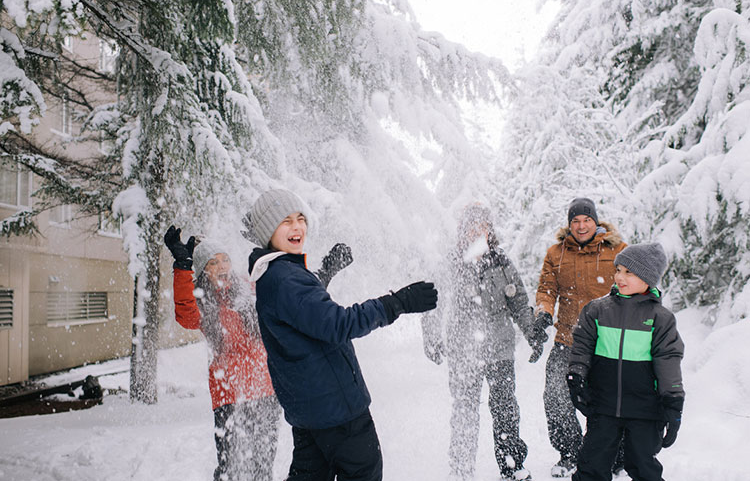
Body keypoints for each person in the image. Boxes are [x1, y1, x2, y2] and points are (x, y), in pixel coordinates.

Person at [244, 188, 439, 481]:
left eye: (300, 218)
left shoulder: (275, 274)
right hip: (337, 410)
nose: (297, 227)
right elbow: (337, 324)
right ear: (268, 230)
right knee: (363, 473)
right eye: (285, 221)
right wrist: (397, 302)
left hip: (311, 410)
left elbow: (307, 314)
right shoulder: (286, 279)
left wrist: (326, 271)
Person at [164, 225, 352, 481]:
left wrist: (328, 268)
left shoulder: (249, 288)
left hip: (266, 391)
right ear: (203, 271)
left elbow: (293, 292)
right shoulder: (204, 304)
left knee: (262, 467)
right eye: (212, 262)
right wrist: (183, 266)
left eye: (225, 259)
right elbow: (185, 315)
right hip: (229, 397)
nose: (222, 266)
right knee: (229, 470)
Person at [421, 204, 536, 481]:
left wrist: (532, 332)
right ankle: (461, 471)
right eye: (470, 226)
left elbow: (519, 302)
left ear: (489, 230)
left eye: (481, 225)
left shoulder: (501, 262)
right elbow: (432, 302)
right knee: (464, 411)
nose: (475, 231)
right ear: (462, 230)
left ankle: (512, 467)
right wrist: (432, 338)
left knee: (505, 409)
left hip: (499, 348)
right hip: (464, 350)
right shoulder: (451, 263)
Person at [567, 242, 685, 481]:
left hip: (645, 410)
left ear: (647, 278)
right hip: (603, 405)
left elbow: (669, 361)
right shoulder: (597, 310)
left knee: (644, 467)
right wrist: (576, 376)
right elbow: (582, 347)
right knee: (591, 465)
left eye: (629, 272)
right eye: (618, 270)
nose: (620, 277)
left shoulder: (660, 318)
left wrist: (673, 403)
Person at [528, 197, 627, 477]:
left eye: (586, 220)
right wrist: (544, 312)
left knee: (606, 400)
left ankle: (612, 456)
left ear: (596, 221)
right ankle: (570, 452)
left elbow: (633, 286)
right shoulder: (556, 253)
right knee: (556, 396)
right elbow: (546, 290)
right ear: (569, 224)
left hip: (606, 341)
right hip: (567, 341)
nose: (581, 226)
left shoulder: (617, 250)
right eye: (575, 221)